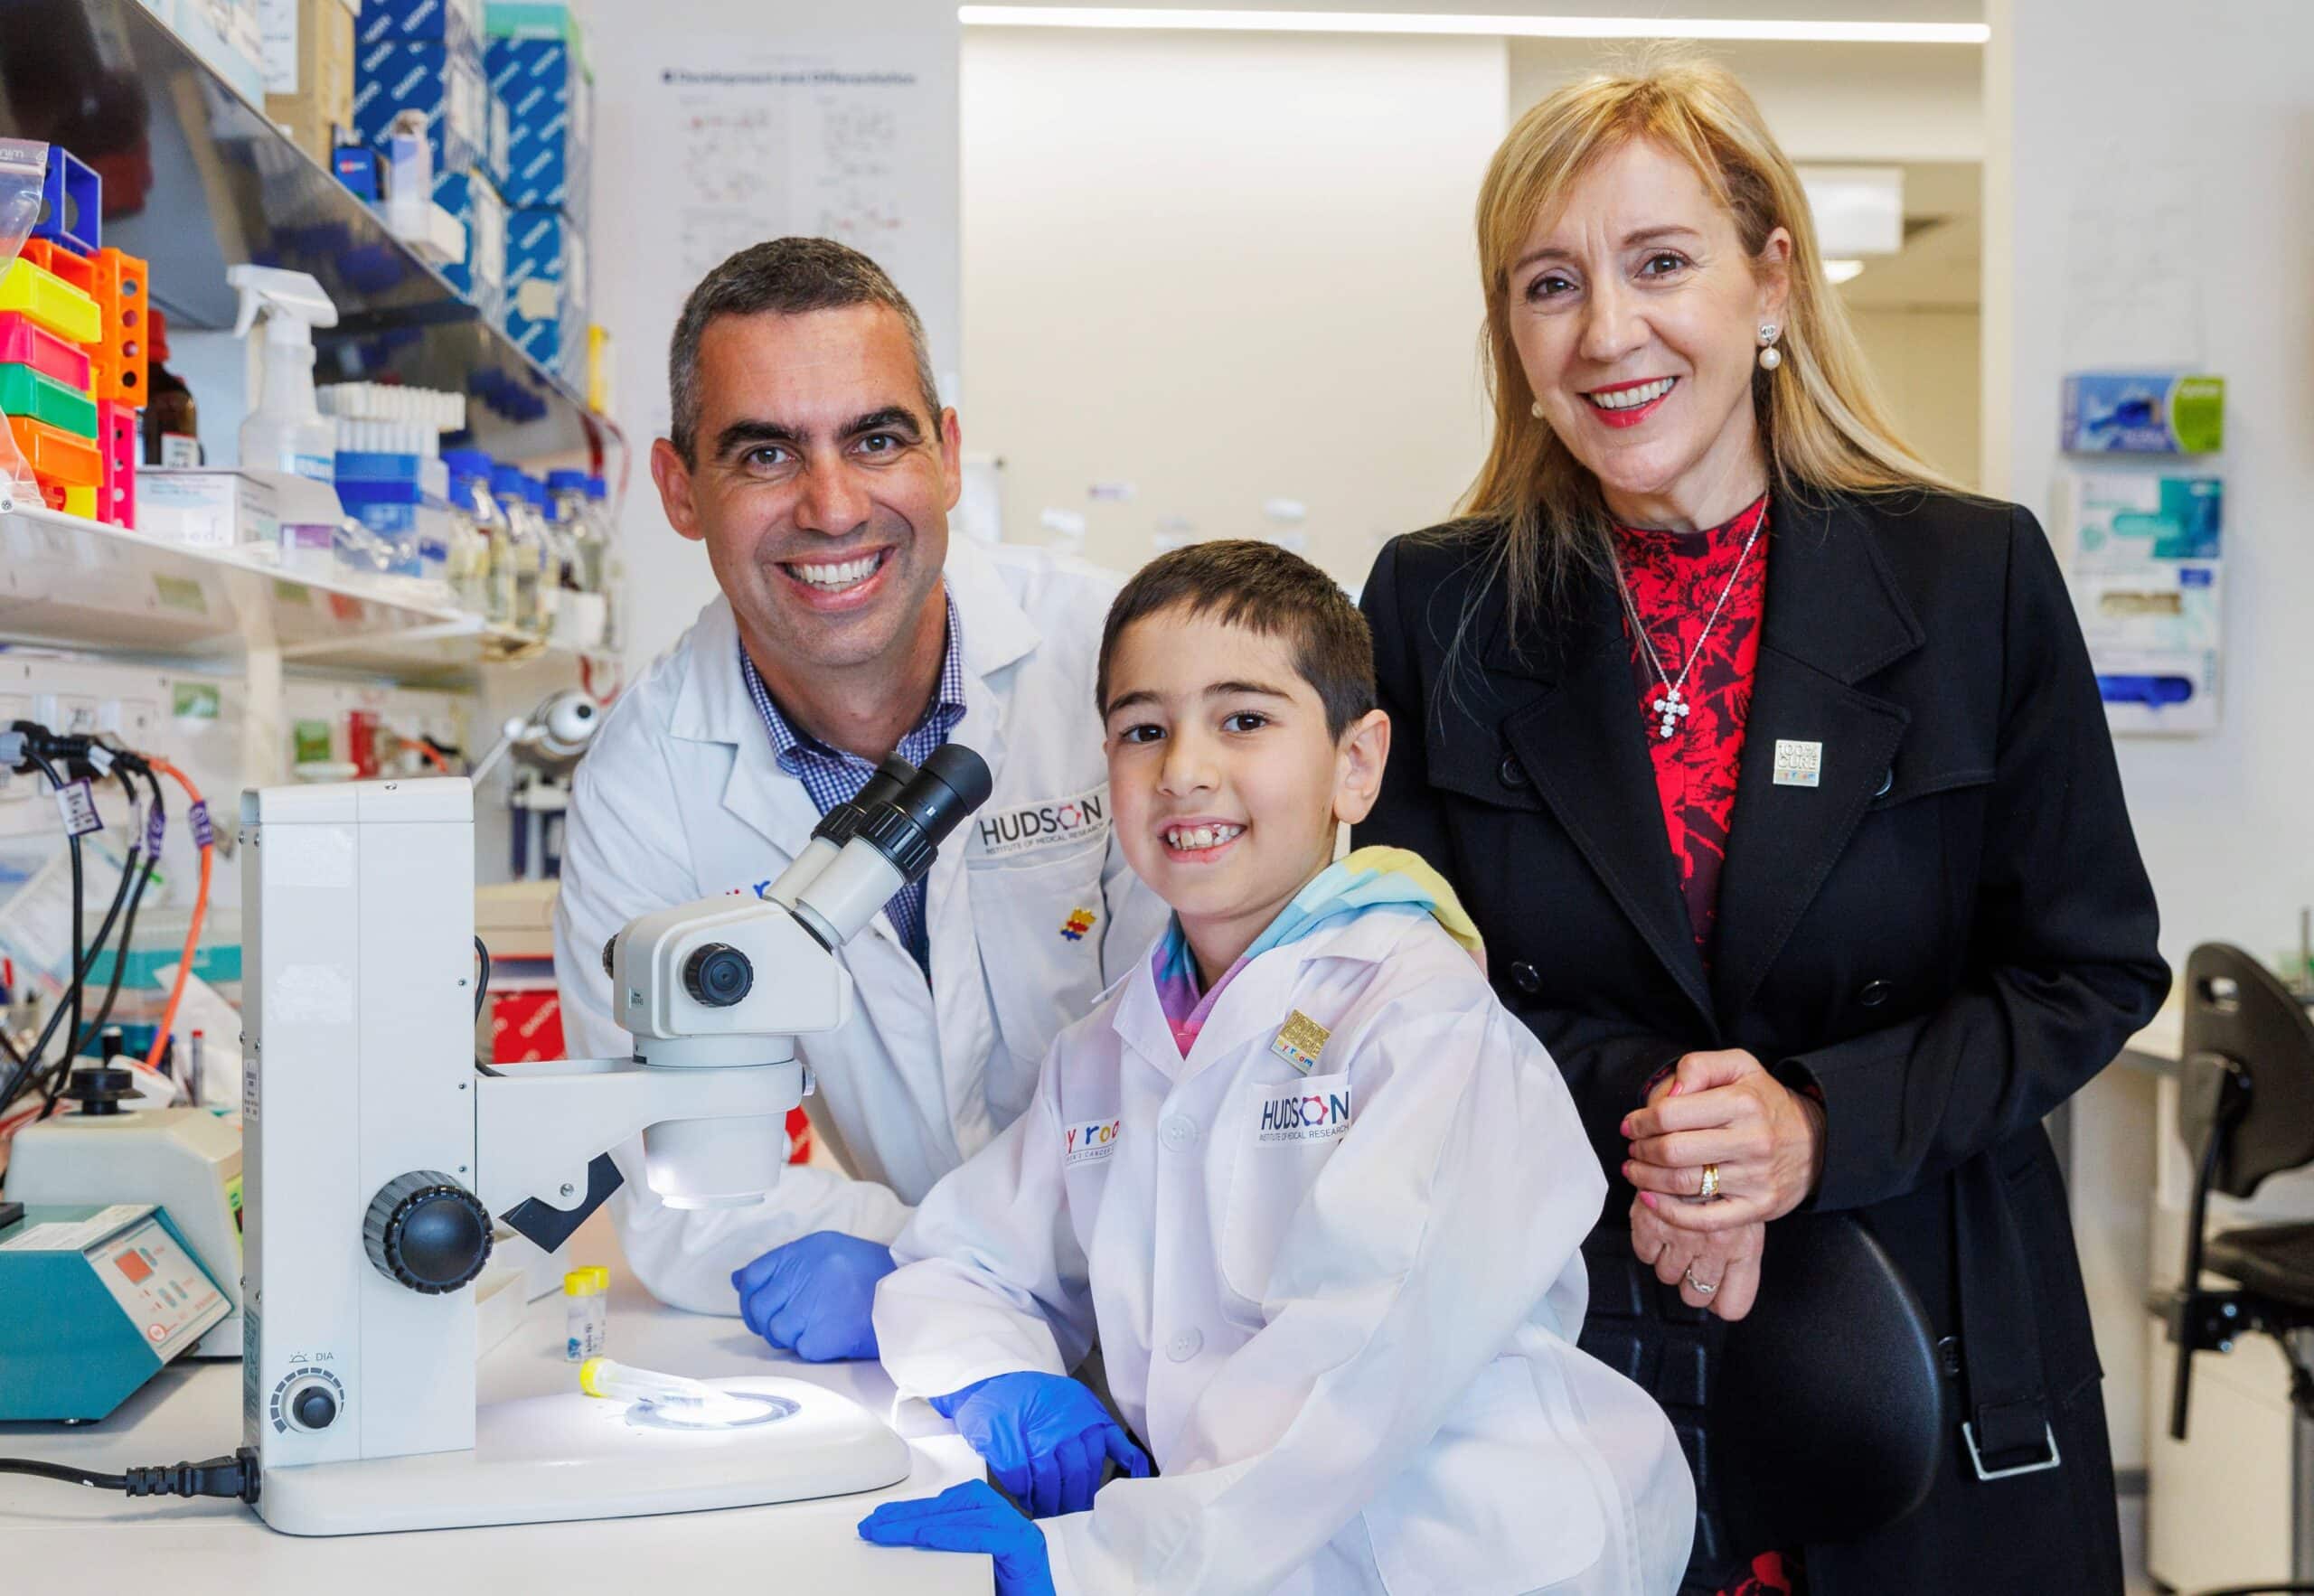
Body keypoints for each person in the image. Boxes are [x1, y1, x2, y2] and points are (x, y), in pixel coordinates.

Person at [1354, 60, 2168, 1596]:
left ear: (1771, 277)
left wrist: (1811, 1126)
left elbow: (2090, 972)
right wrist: (1680, 1134)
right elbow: (1405, 989)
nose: (1608, 332)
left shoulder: (1968, 581)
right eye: (1550, 284)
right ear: (1512, 338)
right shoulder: (1438, 605)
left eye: (1661, 262)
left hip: (1933, 1356)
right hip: (1579, 1349)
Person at [855, 541, 1694, 1595]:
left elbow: (1350, 1372)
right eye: (1142, 729)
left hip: (1474, 1556)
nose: (1185, 768)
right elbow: (961, 1260)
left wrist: (1096, 1559)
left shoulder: (1419, 1020)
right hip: (1237, 1555)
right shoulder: (1110, 1043)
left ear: (1357, 762)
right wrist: (997, 1372)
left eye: (1243, 718)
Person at [552, 239, 1166, 1358]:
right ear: (681, 490)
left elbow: (1222, 1056)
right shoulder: (645, 784)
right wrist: (950, 1287)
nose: (832, 507)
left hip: (1192, 1298)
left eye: (876, 439)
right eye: (765, 454)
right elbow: (681, 1192)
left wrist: (947, 1268)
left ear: (946, 456)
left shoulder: (1115, 661)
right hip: (935, 1347)